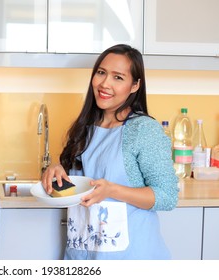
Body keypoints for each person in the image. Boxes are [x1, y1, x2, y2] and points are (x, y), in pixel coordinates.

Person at [41, 44, 179, 260]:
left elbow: (167, 196)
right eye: (101, 73)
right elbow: (77, 180)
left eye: (118, 77)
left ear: (135, 85)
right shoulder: (84, 127)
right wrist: (57, 169)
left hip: (131, 257)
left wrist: (112, 190)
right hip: (83, 252)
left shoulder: (142, 129)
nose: (105, 84)